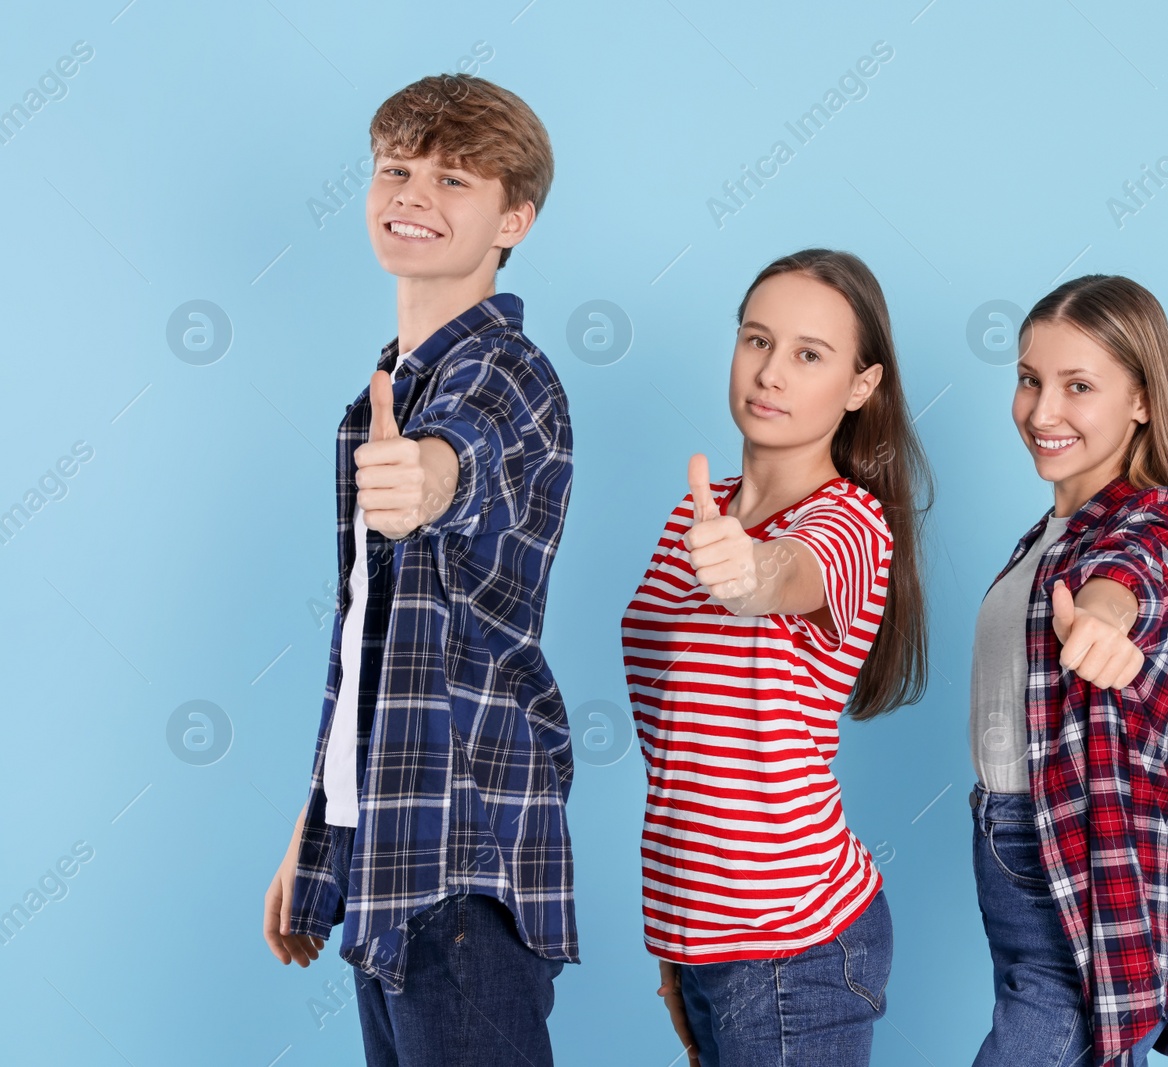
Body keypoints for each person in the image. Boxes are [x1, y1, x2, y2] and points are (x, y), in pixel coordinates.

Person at [260, 72, 577, 1067]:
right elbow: (370, 646)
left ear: (511, 219)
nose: (412, 195)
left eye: (453, 181)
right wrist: (317, 829)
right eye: (397, 170)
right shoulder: (391, 382)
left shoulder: (506, 372)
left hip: (462, 855)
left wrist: (425, 478)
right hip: (385, 849)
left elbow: (460, 458)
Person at [620, 249, 932, 1067]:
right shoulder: (695, 512)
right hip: (704, 941)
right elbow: (683, 754)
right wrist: (679, 945)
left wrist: (749, 571)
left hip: (798, 944)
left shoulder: (853, 524)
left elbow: (789, 570)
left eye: (808, 354)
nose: (771, 373)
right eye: (757, 340)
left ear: (860, 387)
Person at [968, 274, 1168, 1066]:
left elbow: (1133, 574)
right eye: (1030, 380)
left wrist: (1103, 624)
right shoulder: (1044, 537)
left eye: (1078, 385)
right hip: (1006, 836)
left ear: (1141, 401)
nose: (1042, 410)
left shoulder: (1164, 521)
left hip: (1069, 854)